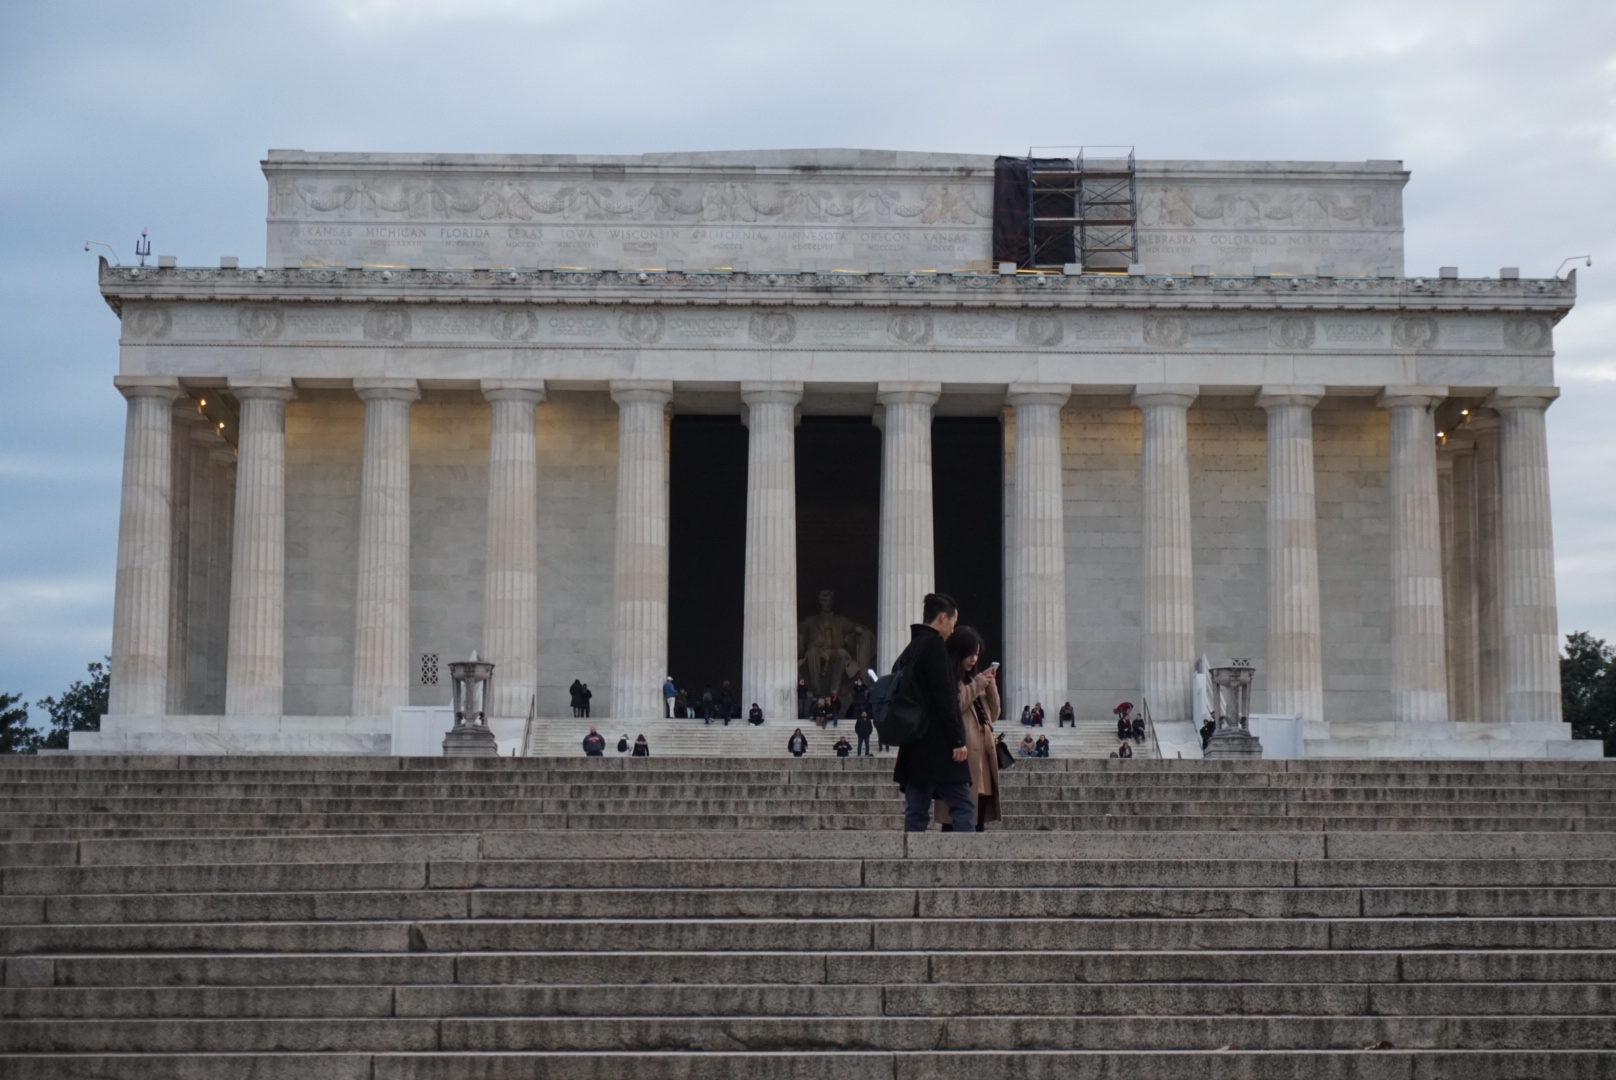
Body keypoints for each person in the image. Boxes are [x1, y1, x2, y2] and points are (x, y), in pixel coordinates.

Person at [892, 592, 975, 834]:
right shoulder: (935, 647)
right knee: (963, 806)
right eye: (953, 622)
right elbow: (946, 699)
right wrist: (958, 740)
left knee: (916, 810)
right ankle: (965, 861)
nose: (952, 630)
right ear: (943, 617)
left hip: (914, 743)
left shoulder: (911, 648)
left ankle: (910, 860)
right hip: (938, 744)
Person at [932, 625, 1001, 833]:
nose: (973, 658)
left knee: (978, 812)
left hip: (982, 755)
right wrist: (977, 685)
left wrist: (990, 688)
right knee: (956, 816)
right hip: (961, 755)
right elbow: (954, 706)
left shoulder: (974, 680)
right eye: (970, 653)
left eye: (977, 654)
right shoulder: (949, 677)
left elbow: (993, 715)